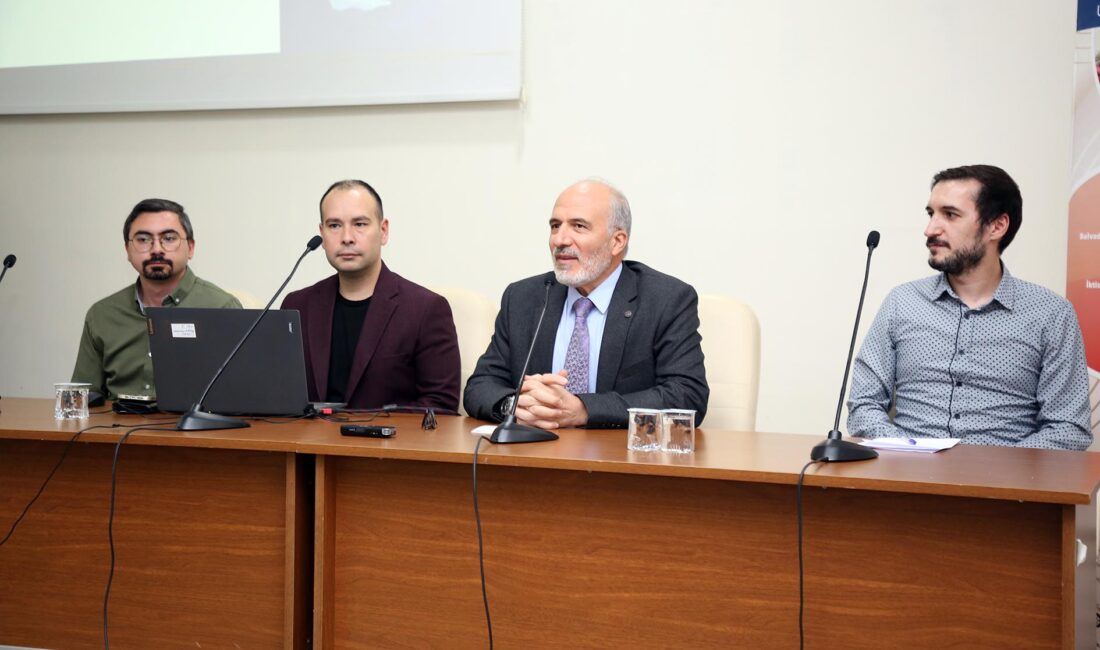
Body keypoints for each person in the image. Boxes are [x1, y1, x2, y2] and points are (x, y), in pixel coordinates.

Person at [848, 164, 1092, 450]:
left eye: (950, 215)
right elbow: (864, 405)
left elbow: (1068, 429)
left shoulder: (1050, 314)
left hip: (1009, 488)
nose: (930, 229)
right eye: (931, 214)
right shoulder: (902, 302)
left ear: (997, 226)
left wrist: (989, 470)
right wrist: (908, 449)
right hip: (908, 479)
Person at [464, 179, 709, 429]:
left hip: (618, 459)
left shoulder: (665, 300)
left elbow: (687, 397)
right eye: (555, 226)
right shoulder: (524, 297)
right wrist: (515, 405)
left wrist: (584, 409)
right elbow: (480, 386)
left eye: (578, 226)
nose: (560, 240)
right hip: (533, 455)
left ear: (617, 241)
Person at [281, 179, 460, 412]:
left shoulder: (425, 309)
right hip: (308, 446)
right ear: (322, 234)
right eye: (334, 225)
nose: (347, 237)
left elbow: (441, 407)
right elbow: (279, 393)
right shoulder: (298, 306)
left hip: (385, 446)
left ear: (383, 231)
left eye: (360, 224)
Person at [72, 198, 241, 400]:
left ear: (191, 248)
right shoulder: (102, 314)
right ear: (127, 250)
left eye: (169, 238)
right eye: (143, 239)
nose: (156, 249)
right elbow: (83, 397)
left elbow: (243, 394)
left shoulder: (222, 308)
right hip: (116, 428)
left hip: (193, 429)